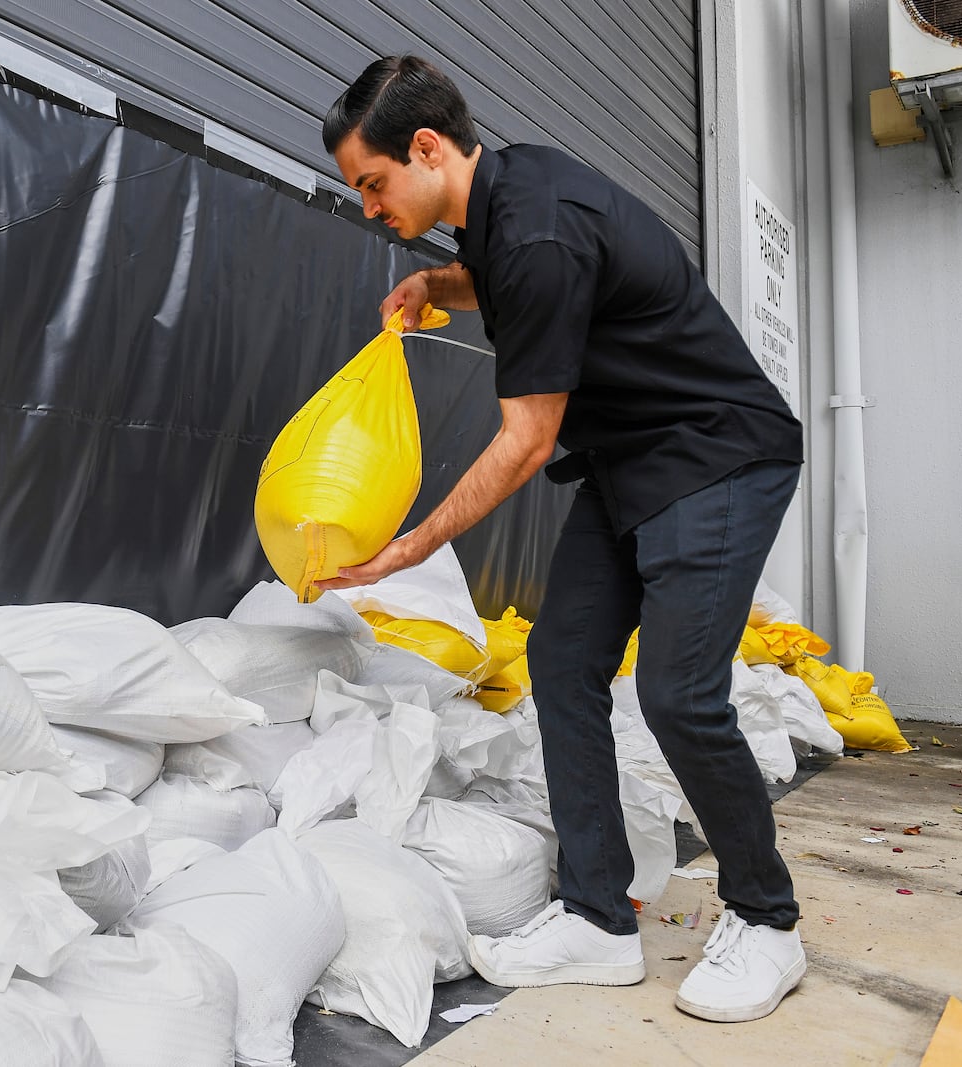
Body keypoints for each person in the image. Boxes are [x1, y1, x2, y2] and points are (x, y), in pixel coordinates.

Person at [314, 55, 808, 1024]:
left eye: (372, 184)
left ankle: (768, 917)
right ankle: (596, 915)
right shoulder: (506, 201)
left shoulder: (533, 225)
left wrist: (411, 546)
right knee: (563, 654)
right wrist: (435, 289)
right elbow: (490, 275)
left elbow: (526, 438)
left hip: (717, 454)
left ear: (424, 147)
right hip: (634, 461)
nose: (368, 208)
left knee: (678, 692)